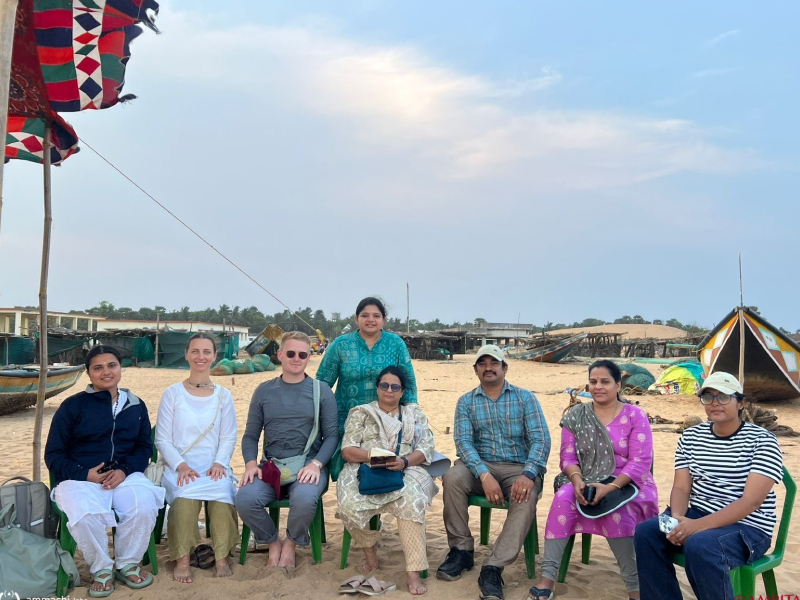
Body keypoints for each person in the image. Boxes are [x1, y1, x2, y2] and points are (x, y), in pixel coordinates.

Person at [634, 371, 783, 600]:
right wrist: (677, 520)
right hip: (696, 514)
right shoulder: (691, 437)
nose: (715, 403)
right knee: (646, 533)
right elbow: (682, 488)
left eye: (723, 397)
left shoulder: (763, 440)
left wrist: (696, 526)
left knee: (700, 545)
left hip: (748, 526)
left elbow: (752, 500)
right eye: (708, 397)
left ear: (741, 402)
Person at [528, 360, 659, 600]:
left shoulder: (635, 415)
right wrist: (577, 480)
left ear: (618, 385)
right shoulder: (577, 415)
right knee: (562, 497)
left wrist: (611, 487)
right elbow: (567, 456)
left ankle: (634, 587)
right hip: (587, 479)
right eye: (593, 381)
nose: (598, 386)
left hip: (629, 482)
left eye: (605, 381)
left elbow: (640, 462)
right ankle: (548, 577)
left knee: (615, 508)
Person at [46, 345, 165, 597]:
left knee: (143, 504)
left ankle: (127, 563)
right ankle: (101, 567)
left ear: (120, 368)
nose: (106, 372)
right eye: (97, 367)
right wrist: (85, 473)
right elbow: (54, 454)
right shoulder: (73, 406)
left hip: (124, 475)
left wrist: (123, 470)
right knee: (85, 513)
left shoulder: (135, 405)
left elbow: (143, 448)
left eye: (111, 365)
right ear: (89, 374)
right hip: (79, 477)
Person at [437, 344, 551, 600]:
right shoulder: (466, 401)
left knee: (525, 494)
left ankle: (493, 566)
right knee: (452, 476)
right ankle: (461, 551)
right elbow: (464, 443)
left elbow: (541, 440)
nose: (488, 368)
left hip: (518, 468)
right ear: (476, 370)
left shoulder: (525, 398)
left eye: (494, 363)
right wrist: (484, 475)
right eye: (482, 363)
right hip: (481, 466)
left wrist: (529, 474)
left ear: (504, 368)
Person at [235, 331, 338, 569]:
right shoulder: (264, 391)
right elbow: (251, 435)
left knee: (304, 499)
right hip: (271, 467)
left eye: (302, 354)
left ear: (308, 358)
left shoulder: (322, 391)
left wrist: (317, 464)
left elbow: (331, 436)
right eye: (290, 353)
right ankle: (272, 542)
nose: (296, 358)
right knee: (244, 499)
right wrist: (251, 464)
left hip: (308, 465)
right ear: (280, 354)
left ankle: (291, 543)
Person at [337, 366, 437, 596]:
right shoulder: (361, 413)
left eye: (395, 387)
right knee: (348, 505)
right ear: (377, 388)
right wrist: (373, 456)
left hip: (404, 468)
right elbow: (348, 450)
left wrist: (403, 461)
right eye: (384, 385)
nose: (389, 390)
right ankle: (370, 554)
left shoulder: (413, 414)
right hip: (363, 468)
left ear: (402, 391)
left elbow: (426, 448)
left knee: (412, 502)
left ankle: (412, 572)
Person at [155, 333, 238, 583]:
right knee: (184, 493)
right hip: (178, 466)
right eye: (195, 351)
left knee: (223, 491)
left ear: (214, 356)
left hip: (214, 465)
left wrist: (219, 463)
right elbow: (163, 439)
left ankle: (222, 556)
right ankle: (182, 558)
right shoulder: (173, 394)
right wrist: (180, 465)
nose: (200, 357)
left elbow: (228, 437)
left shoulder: (224, 395)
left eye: (206, 352)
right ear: (187, 354)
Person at [316, 297, 418, 477]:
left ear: (383, 320)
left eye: (376, 316)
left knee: (386, 470)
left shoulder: (395, 344)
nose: (371, 319)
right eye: (365, 315)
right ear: (356, 319)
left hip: (389, 422)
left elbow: (408, 382)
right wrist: (326, 414)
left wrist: (411, 413)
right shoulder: (340, 344)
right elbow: (322, 383)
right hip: (348, 421)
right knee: (351, 473)